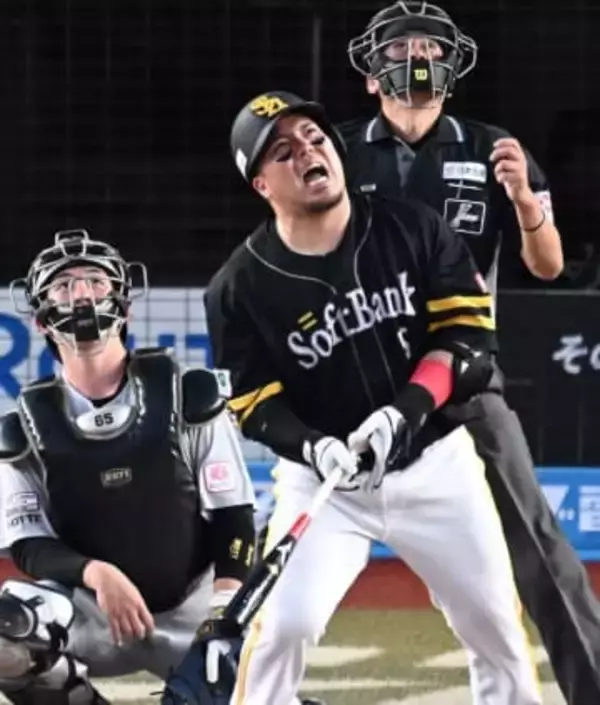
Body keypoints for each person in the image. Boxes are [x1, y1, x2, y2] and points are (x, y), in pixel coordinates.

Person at [205, 89, 543, 705]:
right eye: (282, 151)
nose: (307, 151)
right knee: (283, 629)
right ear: (261, 184)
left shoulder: (412, 227)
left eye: (314, 137)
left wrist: (406, 410)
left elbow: (468, 337)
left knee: (496, 626)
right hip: (327, 485)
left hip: (436, 466)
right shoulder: (239, 286)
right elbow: (252, 402)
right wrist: (313, 446)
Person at [338, 2, 600, 702]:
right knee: (288, 556)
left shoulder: (493, 147)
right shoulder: (333, 150)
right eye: (402, 47)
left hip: (463, 380)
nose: (417, 57)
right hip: (354, 384)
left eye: (430, 46)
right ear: (372, 74)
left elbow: (548, 265)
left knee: (540, 545)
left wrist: (526, 203)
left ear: (453, 67)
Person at [0, 229, 256, 705]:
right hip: (92, 613)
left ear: (125, 305)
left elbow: (234, 516)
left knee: (256, 688)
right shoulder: (20, 431)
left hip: (194, 607)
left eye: (95, 281)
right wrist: (97, 574)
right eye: (63, 286)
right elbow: (29, 545)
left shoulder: (189, 397)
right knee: (6, 629)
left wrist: (224, 614)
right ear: (40, 320)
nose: (81, 295)